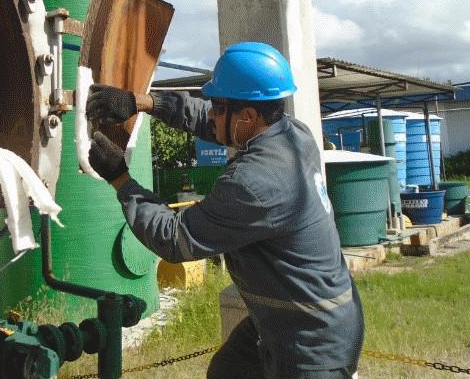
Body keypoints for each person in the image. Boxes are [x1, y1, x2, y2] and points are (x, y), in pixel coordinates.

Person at [86, 42, 363, 379]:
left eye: (218, 105)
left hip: (310, 342)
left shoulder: (254, 182)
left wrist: (120, 179)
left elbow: (175, 239)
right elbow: (210, 121)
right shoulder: (291, 133)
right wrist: (140, 102)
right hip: (301, 314)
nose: (211, 113)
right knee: (228, 371)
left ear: (247, 116)